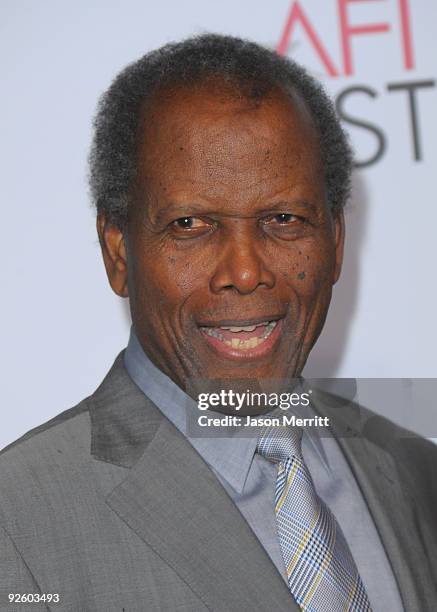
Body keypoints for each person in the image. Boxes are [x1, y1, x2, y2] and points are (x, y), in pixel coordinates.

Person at [0, 34, 435, 612]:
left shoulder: (413, 470)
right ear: (118, 252)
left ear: (334, 240)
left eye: (284, 219)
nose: (246, 271)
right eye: (189, 224)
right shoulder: (19, 519)